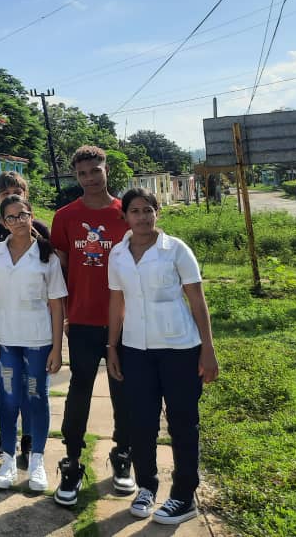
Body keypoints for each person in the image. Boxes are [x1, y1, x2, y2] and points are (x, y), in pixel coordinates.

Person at [106, 188, 219, 525]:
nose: (142, 217)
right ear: (124, 216)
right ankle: (146, 486)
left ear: (157, 212)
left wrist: (208, 349)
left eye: (148, 210)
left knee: (183, 421)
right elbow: (117, 302)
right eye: (135, 211)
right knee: (141, 421)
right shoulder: (118, 254)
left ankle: (184, 495)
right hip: (136, 349)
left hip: (179, 349)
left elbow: (197, 301)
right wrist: (112, 347)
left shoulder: (176, 250)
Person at [50, 146, 132, 506]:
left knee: (123, 391)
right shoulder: (65, 217)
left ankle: (123, 455)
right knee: (80, 390)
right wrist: (64, 315)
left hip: (125, 321)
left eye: (95, 171)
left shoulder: (126, 213)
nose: (89, 178)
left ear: (106, 170)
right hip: (82, 319)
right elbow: (59, 269)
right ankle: (72, 460)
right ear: (76, 176)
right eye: (82, 173)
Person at [0, 195, 66, 493]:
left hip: (38, 340)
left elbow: (57, 305)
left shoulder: (46, 255)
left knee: (36, 396)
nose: (18, 221)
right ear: (4, 222)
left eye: (23, 215)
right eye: (11, 217)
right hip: (5, 340)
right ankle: (7, 461)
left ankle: (38, 461)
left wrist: (57, 347)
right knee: (8, 399)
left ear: (31, 217)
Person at [0, 171, 51, 464]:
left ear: (26, 198)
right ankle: (7, 438)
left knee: (32, 388)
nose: (10, 197)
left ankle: (29, 442)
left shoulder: (39, 229)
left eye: (16, 192)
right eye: (4, 194)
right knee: (4, 386)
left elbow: (54, 272)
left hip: (33, 327)